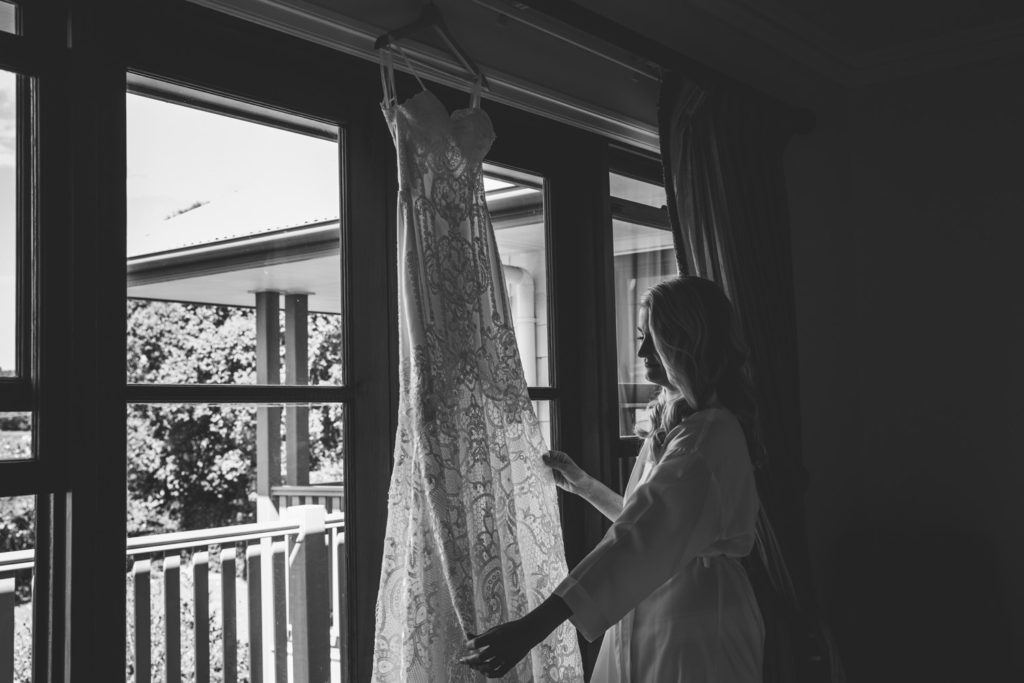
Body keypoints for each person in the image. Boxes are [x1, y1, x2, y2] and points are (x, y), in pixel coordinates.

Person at [460, 275, 765, 681]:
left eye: (653, 338)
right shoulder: (679, 426)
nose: (641, 351)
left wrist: (534, 627)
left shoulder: (708, 437)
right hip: (655, 609)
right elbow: (649, 521)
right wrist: (584, 485)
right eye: (641, 337)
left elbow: (645, 533)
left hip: (699, 624)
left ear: (687, 340)